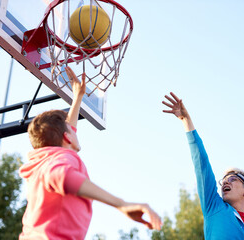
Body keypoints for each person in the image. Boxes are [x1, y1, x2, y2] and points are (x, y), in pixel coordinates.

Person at [19, 67, 161, 240]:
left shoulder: (45, 161)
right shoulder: (61, 160)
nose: (74, 130)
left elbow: (67, 129)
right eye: (71, 131)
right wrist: (121, 204)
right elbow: (62, 176)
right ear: (67, 138)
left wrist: (77, 97)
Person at [162, 92, 244, 240]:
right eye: (224, 180)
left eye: (233, 179)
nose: (225, 182)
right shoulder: (214, 207)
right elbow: (202, 165)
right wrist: (186, 120)